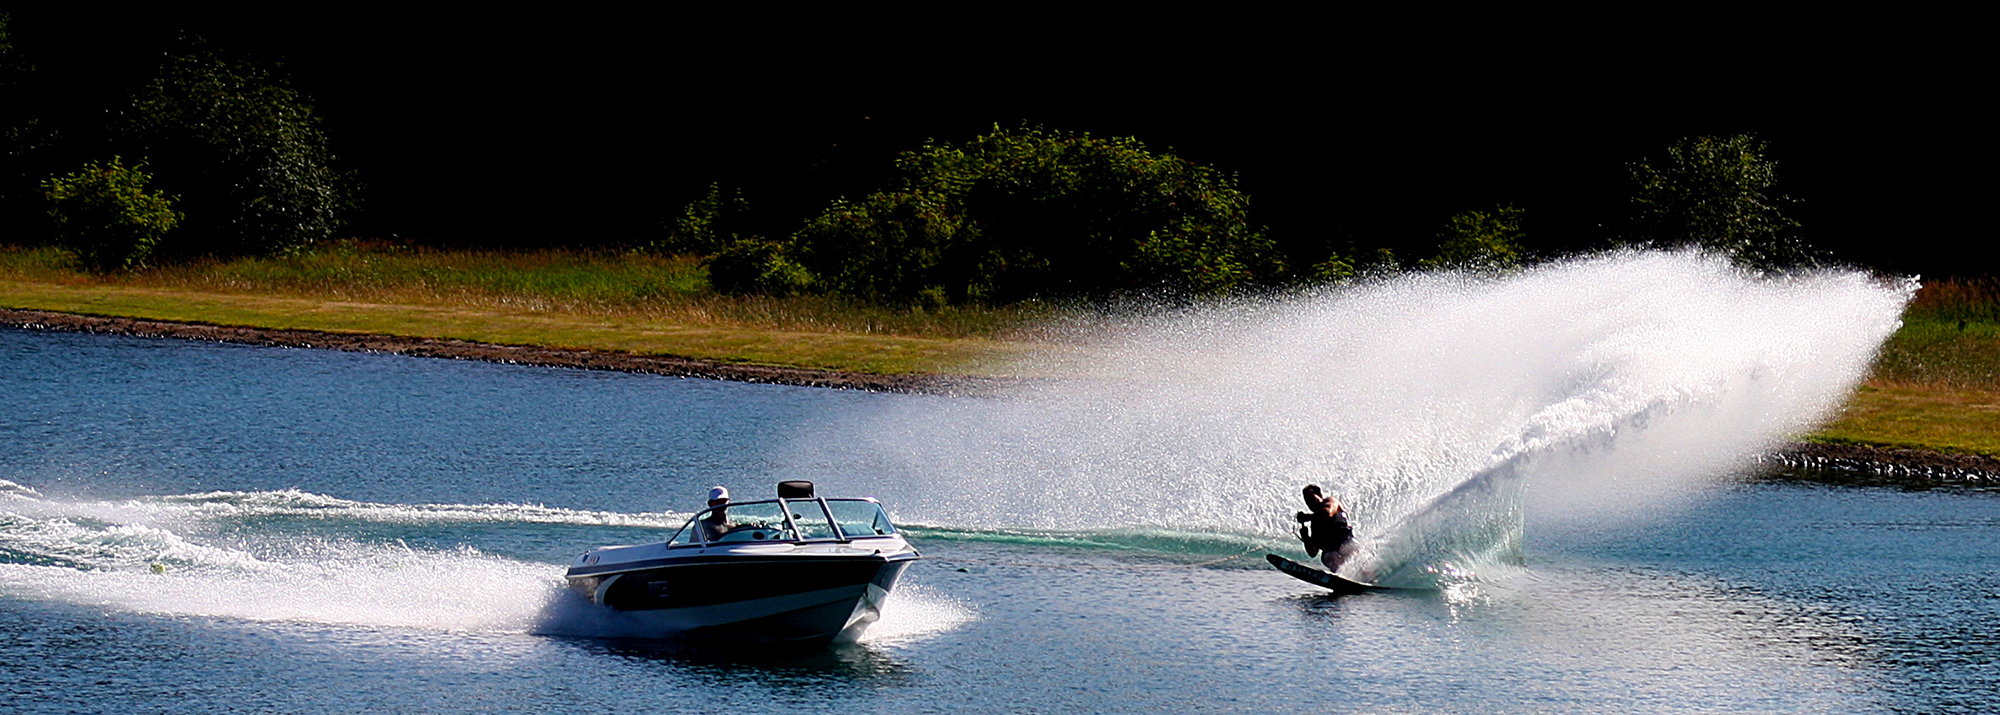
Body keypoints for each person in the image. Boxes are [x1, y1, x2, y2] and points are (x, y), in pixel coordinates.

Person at [1295, 484, 1356, 572]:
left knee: (1347, 553)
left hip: (1347, 544)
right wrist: (1306, 538)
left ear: (1320, 496)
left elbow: (1327, 513)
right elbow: (1313, 553)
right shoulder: (1314, 523)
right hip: (1333, 553)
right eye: (1307, 501)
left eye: (1312, 498)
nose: (1310, 503)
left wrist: (1306, 517)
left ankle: (1368, 576)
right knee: (1327, 556)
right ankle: (1343, 576)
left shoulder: (1330, 501)